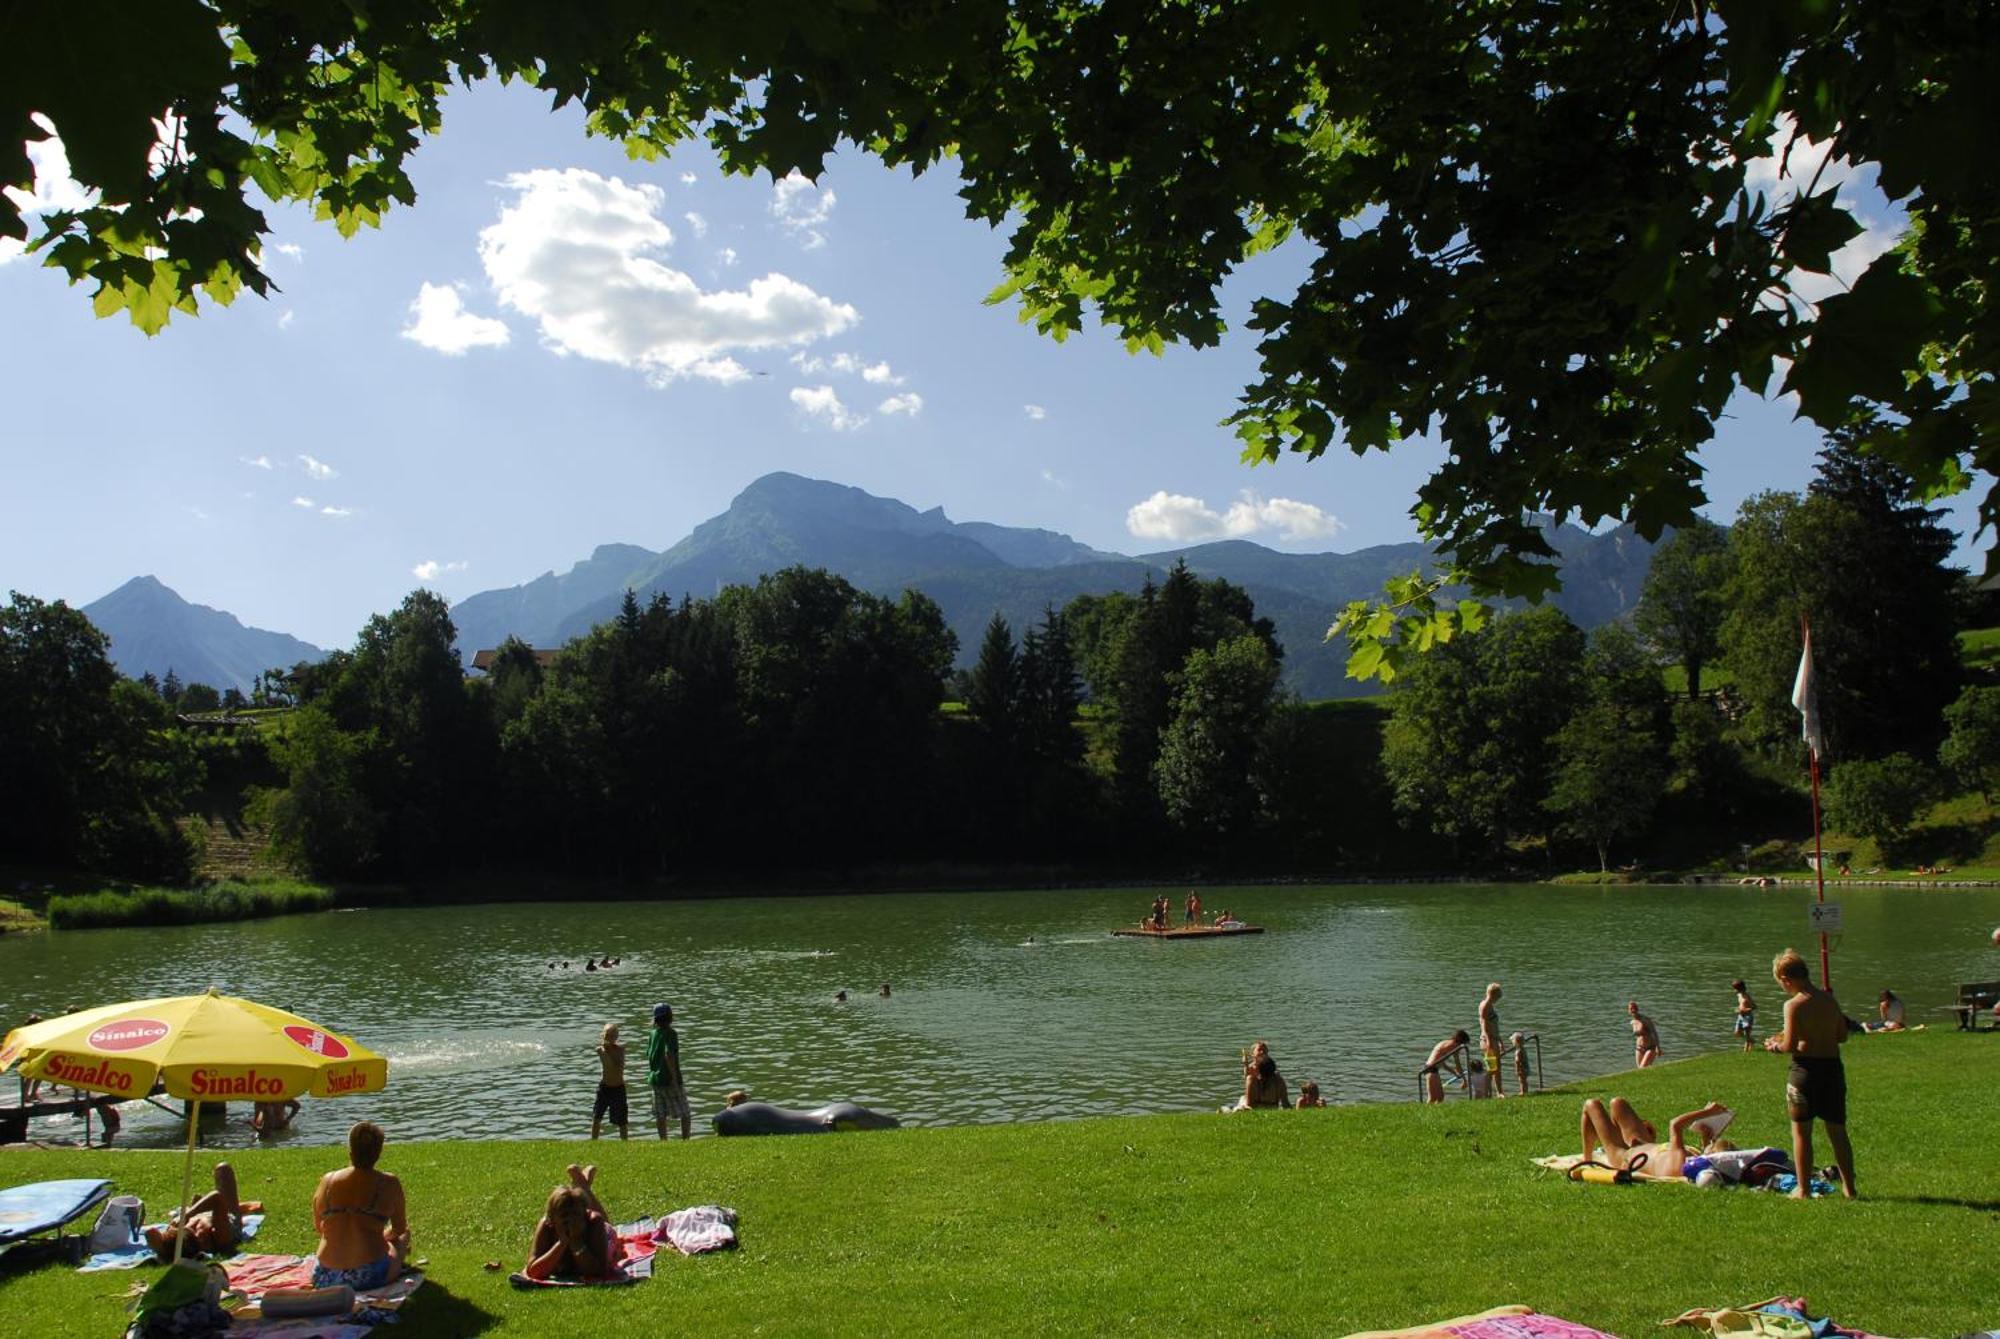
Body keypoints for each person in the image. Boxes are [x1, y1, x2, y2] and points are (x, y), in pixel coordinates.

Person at [1763, 947, 1857, 1199]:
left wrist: (1774, 1045)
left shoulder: (1794, 1005)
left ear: (1786, 979)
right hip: (1832, 1070)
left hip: (1804, 1072)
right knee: (1838, 1131)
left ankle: (1803, 1189)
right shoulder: (1829, 1000)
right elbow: (1841, 1035)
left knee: (1801, 1133)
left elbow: (1790, 1045)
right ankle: (1850, 1189)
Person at [311, 1121, 410, 1289]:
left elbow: (320, 1227)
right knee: (404, 1236)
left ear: (350, 1151)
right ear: (378, 1152)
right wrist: (381, 1236)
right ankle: (396, 1262)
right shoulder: (389, 1183)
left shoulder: (327, 1180)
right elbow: (399, 1229)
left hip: (324, 1275)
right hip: (367, 1275)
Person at [1578, 1097, 1734, 1179]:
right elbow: (1702, 1156)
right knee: (1618, 1103)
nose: (1711, 1143)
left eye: (1712, 1145)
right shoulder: (1695, 1161)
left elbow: (1675, 1125)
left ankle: (1586, 1158)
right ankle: (1611, 1134)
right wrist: (1705, 1139)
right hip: (1645, 1145)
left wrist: (1708, 1112)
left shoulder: (1680, 1160)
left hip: (1624, 1157)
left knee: (1591, 1104)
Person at [523, 1164, 619, 1282]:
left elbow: (599, 1272)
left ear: (585, 1214)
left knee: (607, 1225)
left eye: (575, 1215)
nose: (570, 1221)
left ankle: (584, 1188)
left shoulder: (594, 1222)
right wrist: (562, 1243)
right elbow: (533, 1271)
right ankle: (583, 1185)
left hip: (607, 1234)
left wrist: (576, 1242)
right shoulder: (547, 1224)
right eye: (564, 1216)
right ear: (553, 1218)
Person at [146, 1162, 242, 1260]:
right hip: (227, 1214)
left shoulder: (173, 1243)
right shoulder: (219, 1236)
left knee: (198, 1199)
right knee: (224, 1169)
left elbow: (150, 1233)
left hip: (201, 1216)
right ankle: (202, 1205)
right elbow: (216, 1197)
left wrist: (162, 1242)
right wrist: (187, 1215)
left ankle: (200, 1205)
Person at [645, 1003, 691, 1141]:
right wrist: (675, 1078)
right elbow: (668, 1055)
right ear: (670, 1017)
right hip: (669, 1078)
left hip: (655, 1079)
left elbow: (649, 1054)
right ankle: (685, 1140)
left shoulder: (652, 1034)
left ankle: (663, 1140)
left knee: (660, 1114)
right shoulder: (671, 1033)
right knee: (685, 1113)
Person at [591, 1023, 628, 1140]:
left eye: (613, 1035)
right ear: (603, 1036)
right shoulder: (600, 1050)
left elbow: (615, 1066)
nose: (610, 1038)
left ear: (617, 1036)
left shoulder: (620, 1050)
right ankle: (593, 1142)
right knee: (597, 1116)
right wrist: (602, 1051)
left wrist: (604, 1054)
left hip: (618, 1088)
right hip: (605, 1088)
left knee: (622, 1121)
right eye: (607, 1035)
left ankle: (625, 1143)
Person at [1235, 1042, 1289, 1109]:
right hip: (1257, 1099)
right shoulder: (1250, 1068)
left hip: (1266, 1101)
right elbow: (1248, 1083)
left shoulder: (1270, 1067)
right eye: (1259, 1050)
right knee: (1243, 1098)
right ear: (1253, 1054)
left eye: (1264, 1050)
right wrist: (1246, 1065)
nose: (1262, 1052)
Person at [1423, 1031, 1470, 1104]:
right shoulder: (1454, 1046)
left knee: (1440, 1097)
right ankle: (1425, 1113)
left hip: (1432, 1069)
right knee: (1432, 1098)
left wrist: (1455, 1073)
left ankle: (1435, 1113)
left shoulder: (1446, 1042)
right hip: (1430, 1069)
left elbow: (1442, 1063)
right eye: (1463, 1043)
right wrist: (1464, 1080)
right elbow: (1458, 1065)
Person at [1478, 983, 1504, 1094]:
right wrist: (1489, 1041)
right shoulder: (1485, 1005)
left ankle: (1499, 1092)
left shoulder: (1490, 1005)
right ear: (1493, 994)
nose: (1498, 999)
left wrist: (1499, 1040)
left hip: (1494, 1039)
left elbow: (1493, 1025)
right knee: (1492, 1069)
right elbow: (1484, 1024)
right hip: (1488, 1041)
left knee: (1497, 1069)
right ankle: (1486, 1093)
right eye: (1498, 996)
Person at [1629, 1001, 1662, 1067]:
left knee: (1642, 1068)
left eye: (1634, 1008)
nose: (1633, 1010)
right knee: (1640, 1071)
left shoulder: (1645, 1020)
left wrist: (1658, 1048)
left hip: (1651, 1047)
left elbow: (1654, 1032)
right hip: (1639, 1048)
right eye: (1631, 1009)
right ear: (1629, 1011)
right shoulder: (1632, 1022)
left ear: (1637, 1009)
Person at [1732, 979, 1757, 1052]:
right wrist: (1738, 1009)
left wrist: (1746, 1010)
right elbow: (1741, 1005)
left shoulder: (1747, 996)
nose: (1734, 990)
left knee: (1747, 1034)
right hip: (1740, 1016)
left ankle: (1746, 1051)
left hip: (1747, 1017)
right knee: (1737, 1032)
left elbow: (1754, 1007)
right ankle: (1752, 1041)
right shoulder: (1739, 995)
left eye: (1735, 989)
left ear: (1739, 988)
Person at [1508, 1031, 1531, 1096]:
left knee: (1521, 1081)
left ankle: (1522, 1092)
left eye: (1512, 1041)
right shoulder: (1523, 1049)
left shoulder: (1518, 1051)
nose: (1512, 1042)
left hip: (1521, 1068)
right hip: (1526, 1067)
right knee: (1524, 1081)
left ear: (1516, 1042)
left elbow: (1517, 1061)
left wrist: (1517, 1069)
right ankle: (1525, 1091)